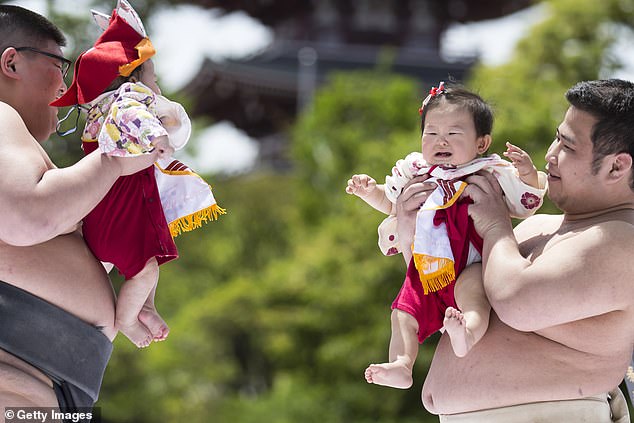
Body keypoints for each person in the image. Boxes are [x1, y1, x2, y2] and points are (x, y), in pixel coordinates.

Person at [411, 79, 634, 421]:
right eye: (557, 137)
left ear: (617, 166)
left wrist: (494, 225)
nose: (550, 155)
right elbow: (443, 295)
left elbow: (516, 301)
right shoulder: (536, 227)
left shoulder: (621, 242)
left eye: (567, 146)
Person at [0, 3, 170, 417]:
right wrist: (111, 160)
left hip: (40, 387)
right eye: (60, 63)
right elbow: (26, 216)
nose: (66, 83)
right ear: (12, 62)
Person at [346, 82, 547, 389]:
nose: (441, 140)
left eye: (453, 133)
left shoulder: (490, 173)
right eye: (431, 133)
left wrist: (528, 174)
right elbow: (392, 204)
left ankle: (466, 332)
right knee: (402, 314)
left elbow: (525, 202)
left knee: (473, 297)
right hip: (426, 268)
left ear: (481, 143)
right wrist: (369, 192)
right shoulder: (415, 171)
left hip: (471, 263)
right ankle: (402, 364)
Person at [51, 0, 225, 349]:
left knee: (148, 266)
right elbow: (135, 115)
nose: (157, 88)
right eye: (154, 79)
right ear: (133, 76)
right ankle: (128, 319)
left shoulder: (101, 111)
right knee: (147, 270)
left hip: (111, 213)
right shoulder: (128, 99)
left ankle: (145, 307)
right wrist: (158, 137)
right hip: (120, 216)